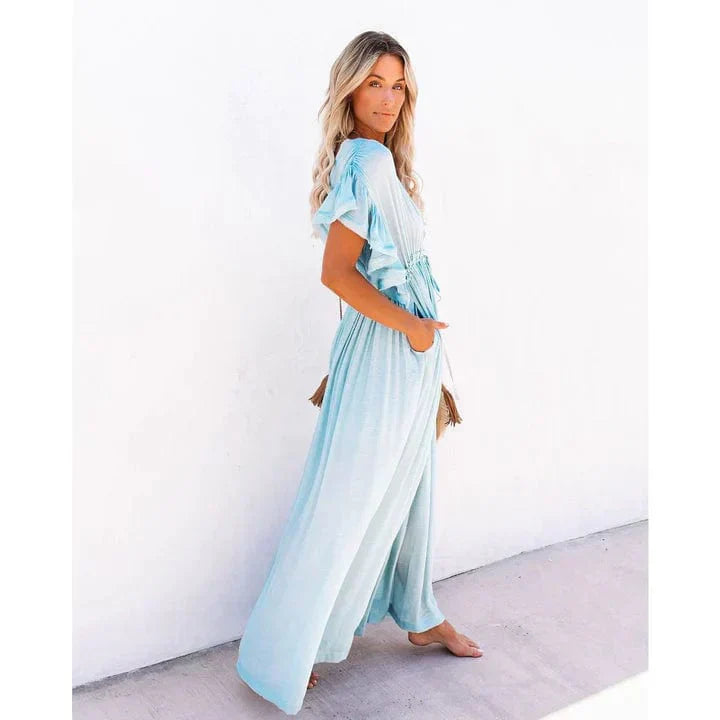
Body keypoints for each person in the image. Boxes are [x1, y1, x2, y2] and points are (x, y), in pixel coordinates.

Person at [236, 31, 482, 715]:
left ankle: (420, 612)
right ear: (349, 89)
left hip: (406, 353)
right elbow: (337, 273)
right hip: (388, 350)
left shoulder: (379, 162)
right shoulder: (364, 161)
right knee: (344, 499)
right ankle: (284, 647)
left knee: (412, 492)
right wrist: (411, 329)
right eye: (375, 83)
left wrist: (421, 342)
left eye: (398, 85)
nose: (387, 98)